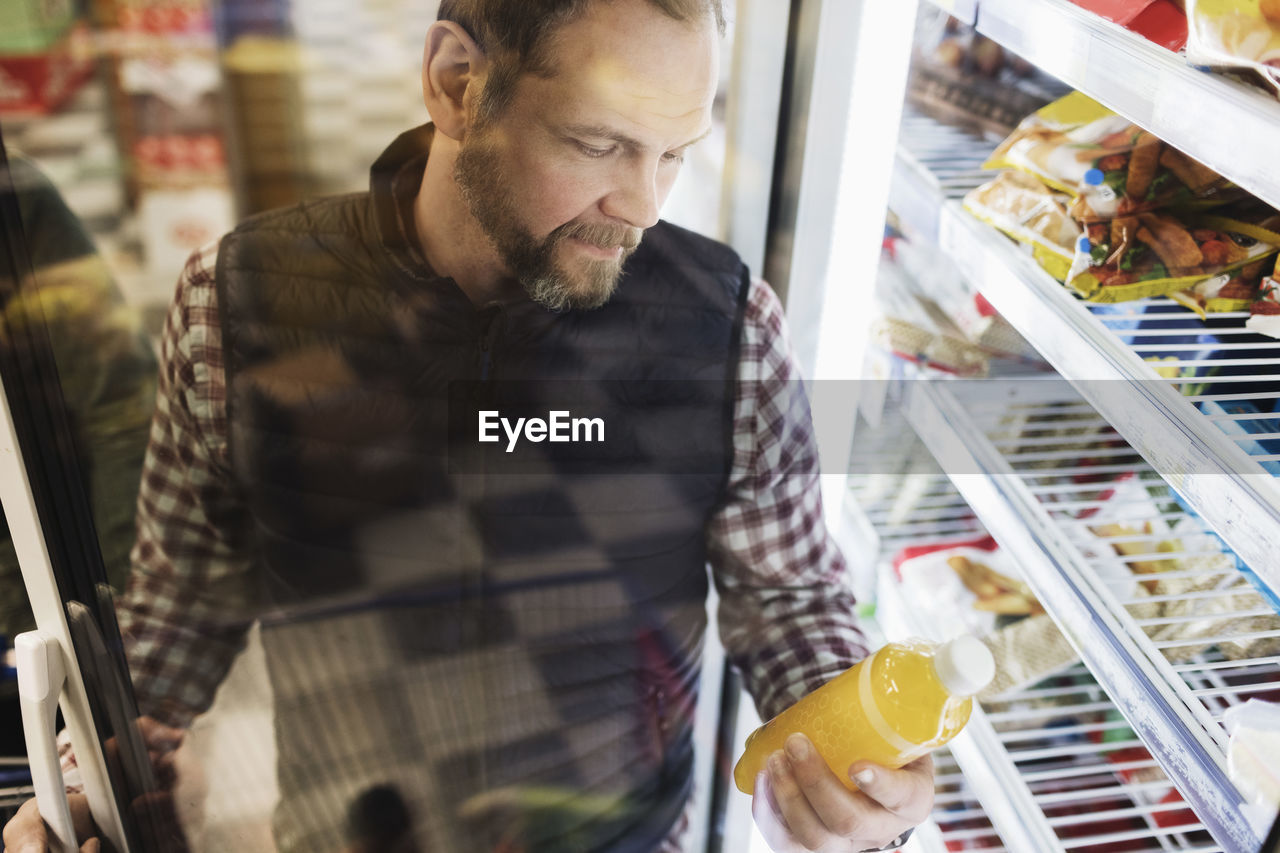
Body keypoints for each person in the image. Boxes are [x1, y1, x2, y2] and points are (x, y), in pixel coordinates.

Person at [5, 1, 936, 851]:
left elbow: (788, 601)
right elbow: (180, 603)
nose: (644, 207)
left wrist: (854, 761)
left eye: (675, 151)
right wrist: (90, 776)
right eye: (599, 142)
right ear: (457, 82)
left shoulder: (728, 328)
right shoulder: (234, 301)